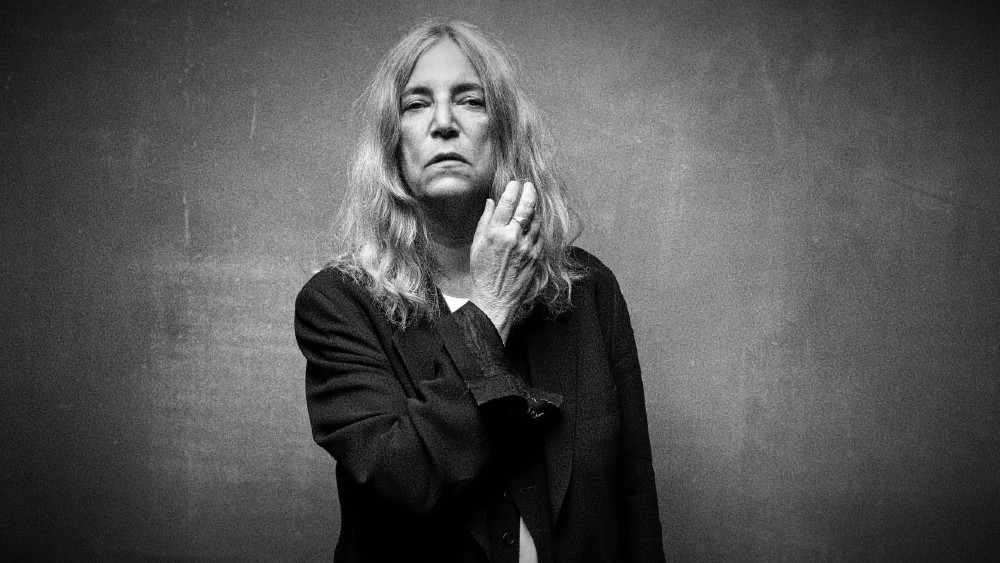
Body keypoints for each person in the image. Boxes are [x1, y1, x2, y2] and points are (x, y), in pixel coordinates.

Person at [294, 19, 664, 563]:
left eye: (471, 101)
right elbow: (404, 477)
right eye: (416, 104)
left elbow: (634, 502)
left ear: (504, 132)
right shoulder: (338, 303)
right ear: (392, 144)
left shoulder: (589, 290)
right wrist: (490, 308)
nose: (444, 123)